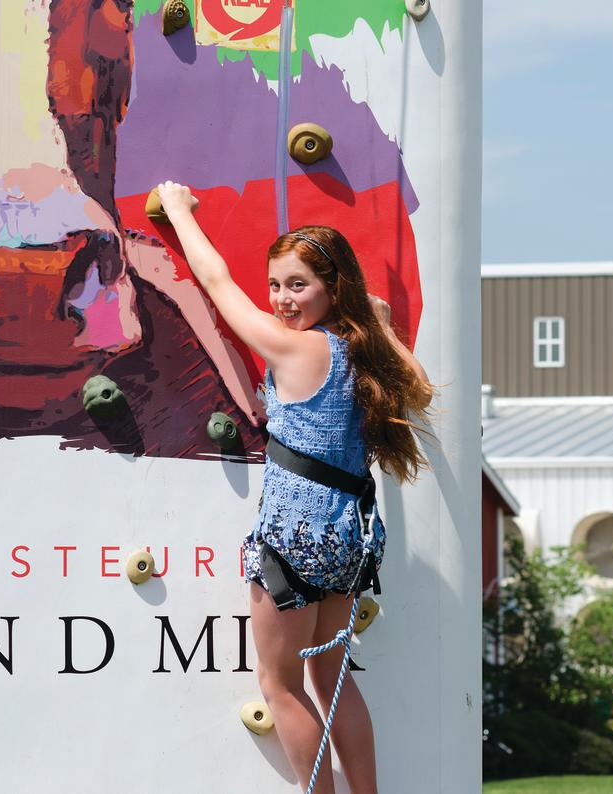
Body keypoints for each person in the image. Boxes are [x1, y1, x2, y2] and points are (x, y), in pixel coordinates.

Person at [156, 180, 433, 794]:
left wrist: (179, 212)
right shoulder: (360, 352)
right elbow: (420, 384)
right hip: (350, 539)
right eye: (276, 284)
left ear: (333, 288)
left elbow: (218, 283)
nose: (282, 299)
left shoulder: (291, 348)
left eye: (297, 284)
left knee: (279, 684)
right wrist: (383, 326)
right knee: (332, 678)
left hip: (294, 537)